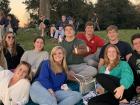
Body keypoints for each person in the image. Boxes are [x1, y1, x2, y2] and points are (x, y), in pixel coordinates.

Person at [128, 33, 140, 100]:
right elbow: (132, 75)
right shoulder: (132, 59)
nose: (138, 45)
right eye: (135, 44)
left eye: (139, 42)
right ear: (133, 46)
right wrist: (136, 85)